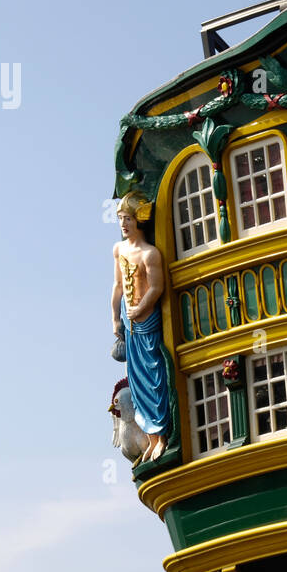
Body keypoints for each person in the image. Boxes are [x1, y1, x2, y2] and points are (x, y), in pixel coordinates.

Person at [111, 191, 171, 460]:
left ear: (139, 221)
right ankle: (150, 438)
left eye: (128, 219)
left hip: (147, 320)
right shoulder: (118, 249)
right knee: (136, 382)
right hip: (130, 321)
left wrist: (141, 307)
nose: (124, 224)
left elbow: (156, 288)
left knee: (154, 378)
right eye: (121, 219)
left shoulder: (150, 254)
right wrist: (115, 316)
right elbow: (117, 286)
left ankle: (161, 436)